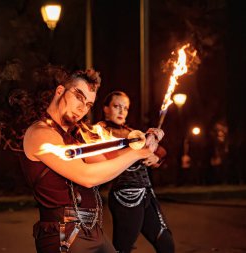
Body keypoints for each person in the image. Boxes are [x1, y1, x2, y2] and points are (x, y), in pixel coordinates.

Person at [19, 68, 161, 253]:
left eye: (88, 104)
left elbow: (106, 161)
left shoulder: (77, 134)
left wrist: (142, 142)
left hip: (93, 231)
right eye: (78, 96)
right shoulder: (41, 134)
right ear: (60, 91)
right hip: (64, 236)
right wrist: (137, 154)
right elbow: (87, 176)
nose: (82, 108)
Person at [98, 91, 175, 253]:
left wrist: (155, 157)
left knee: (166, 244)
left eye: (125, 108)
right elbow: (110, 155)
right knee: (122, 249)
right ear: (105, 109)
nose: (121, 111)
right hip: (126, 196)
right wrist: (143, 147)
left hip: (147, 193)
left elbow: (161, 152)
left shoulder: (133, 131)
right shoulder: (99, 132)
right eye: (116, 106)